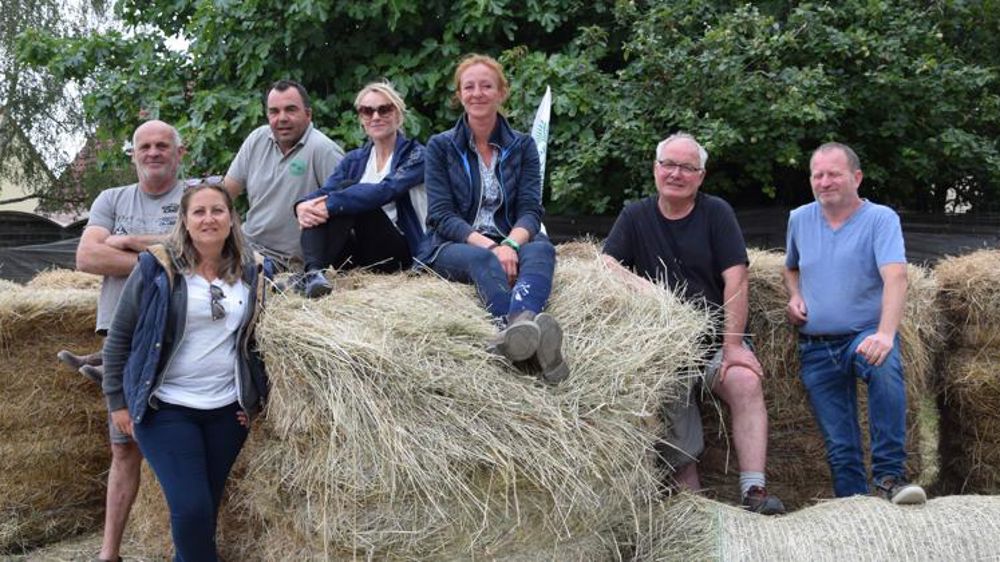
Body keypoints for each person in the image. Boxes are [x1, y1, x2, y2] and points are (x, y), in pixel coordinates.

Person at [602, 133, 785, 515]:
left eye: (687, 167)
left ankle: (754, 490)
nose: (676, 173)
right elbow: (607, 265)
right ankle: (693, 505)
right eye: (668, 164)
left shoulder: (716, 213)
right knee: (663, 394)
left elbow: (736, 277)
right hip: (665, 349)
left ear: (700, 177)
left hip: (714, 341)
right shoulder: (635, 216)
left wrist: (733, 346)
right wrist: (648, 290)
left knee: (745, 381)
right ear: (656, 169)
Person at [103, 182, 270, 560]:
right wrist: (118, 402)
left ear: (231, 219)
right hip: (165, 407)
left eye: (217, 210)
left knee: (204, 512)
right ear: (185, 220)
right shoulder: (156, 267)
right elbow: (119, 338)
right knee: (191, 507)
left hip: (227, 412)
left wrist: (253, 398)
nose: (209, 219)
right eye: (199, 211)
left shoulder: (253, 270)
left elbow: (261, 345)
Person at [58, 120, 187, 562]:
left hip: (180, 336)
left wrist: (131, 242)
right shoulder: (111, 199)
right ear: (133, 154)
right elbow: (87, 255)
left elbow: (204, 248)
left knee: (180, 445)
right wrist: (162, 260)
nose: (153, 153)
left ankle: (184, 549)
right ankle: (108, 553)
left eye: (162, 146)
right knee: (124, 445)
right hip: (124, 335)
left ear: (179, 153)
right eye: (145, 146)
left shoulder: (195, 199)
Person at [783, 142, 925, 505]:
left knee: (884, 367)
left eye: (834, 173)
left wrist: (885, 334)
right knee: (840, 444)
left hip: (863, 335)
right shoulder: (799, 218)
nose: (824, 181)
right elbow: (790, 267)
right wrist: (794, 295)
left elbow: (896, 277)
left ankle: (890, 477)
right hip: (816, 345)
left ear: (856, 177)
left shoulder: (881, 219)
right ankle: (855, 509)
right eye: (818, 174)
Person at [423, 54, 568, 384]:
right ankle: (522, 334)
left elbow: (531, 211)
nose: (477, 93)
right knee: (483, 262)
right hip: (457, 243)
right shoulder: (441, 146)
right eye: (469, 87)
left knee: (542, 251)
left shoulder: (522, 146)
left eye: (486, 86)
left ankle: (519, 328)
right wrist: (494, 248)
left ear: (501, 93)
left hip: (511, 236)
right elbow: (442, 216)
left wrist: (510, 243)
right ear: (459, 95)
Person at [294, 81, 429, 297]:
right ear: (361, 119)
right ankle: (313, 273)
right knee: (328, 201)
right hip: (356, 255)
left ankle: (308, 275)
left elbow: (386, 191)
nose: (375, 116)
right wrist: (301, 206)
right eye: (367, 111)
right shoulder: (354, 159)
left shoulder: (417, 155)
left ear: (398, 114)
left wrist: (331, 204)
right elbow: (325, 191)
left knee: (348, 195)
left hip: (396, 253)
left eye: (384, 109)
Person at [223, 79, 345, 271]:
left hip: (285, 264)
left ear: (308, 114)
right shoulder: (257, 139)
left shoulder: (324, 150)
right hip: (245, 246)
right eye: (274, 111)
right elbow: (224, 195)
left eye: (290, 110)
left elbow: (345, 213)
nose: (282, 118)